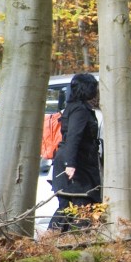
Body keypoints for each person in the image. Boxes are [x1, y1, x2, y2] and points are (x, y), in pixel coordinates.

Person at [49, 73, 102, 232]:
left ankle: (53, 242)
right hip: (76, 165)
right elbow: (74, 137)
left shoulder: (74, 107)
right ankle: (77, 241)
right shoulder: (80, 110)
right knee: (79, 205)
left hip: (73, 161)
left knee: (67, 206)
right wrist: (70, 164)